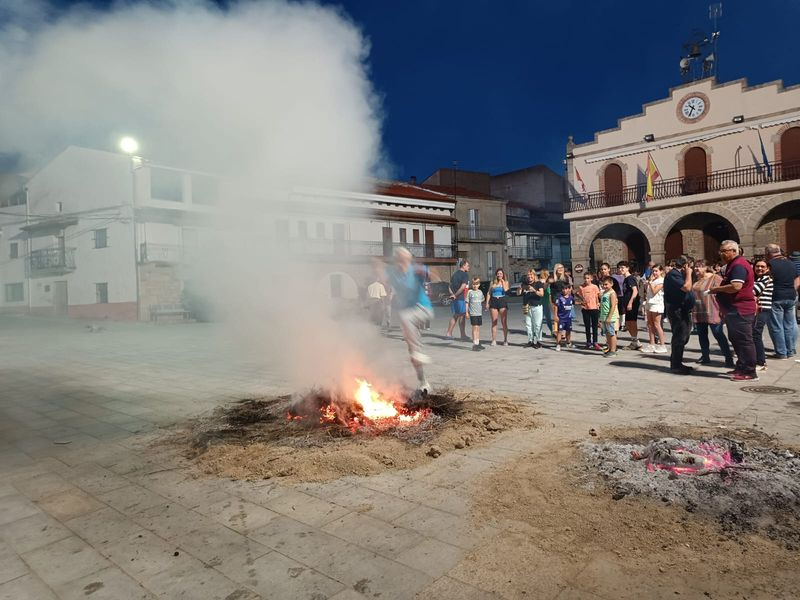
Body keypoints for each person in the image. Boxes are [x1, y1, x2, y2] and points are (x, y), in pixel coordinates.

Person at [385, 247, 434, 391]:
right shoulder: (392, 272)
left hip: (423, 309)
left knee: (404, 317)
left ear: (409, 260)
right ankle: (424, 383)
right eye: (398, 260)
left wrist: (427, 274)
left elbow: (433, 276)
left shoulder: (416, 270)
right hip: (408, 317)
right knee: (413, 354)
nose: (401, 263)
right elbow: (383, 275)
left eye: (404, 260)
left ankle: (417, 352)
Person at [709, 241, 758, 381]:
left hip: (741, 308)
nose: (721, 254)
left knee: (744, 340)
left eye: (724, 251)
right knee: (736, 339)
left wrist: (716, 289)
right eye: (721, 251)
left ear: (734, 251)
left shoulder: (738, 265)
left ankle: (749, 371)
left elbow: (736, 286)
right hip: (733, 308)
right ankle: (741, 366)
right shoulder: (733, 265)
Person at [691, 260, 734, 368]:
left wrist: (723, 308)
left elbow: (723, 293)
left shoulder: (715, 278)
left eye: (699, 266)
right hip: (699, 310)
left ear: (706, 267)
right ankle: (705, 356)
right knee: (702, 335)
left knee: (718, 334)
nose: (696, 269)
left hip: (714, 310)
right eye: (695, 267)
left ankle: (728, 358)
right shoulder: (697, 279)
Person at [764, 244, 799, 359]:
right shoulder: (791, 263)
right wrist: (792, 289)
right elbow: (797, 278)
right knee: (790, 324)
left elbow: (766, 280)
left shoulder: (770, 265)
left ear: (768, 254)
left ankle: (781, 352)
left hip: (776, 296)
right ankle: (790, 350)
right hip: (790, 296)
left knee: (777, 326)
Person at [663, 255, 695, 375]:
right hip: (678, 310)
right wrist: (689, 273)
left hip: (683, 310)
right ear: (686, 265)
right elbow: (686, 287)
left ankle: (678, 362)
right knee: (679, 337)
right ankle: (676, 364)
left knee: (684, 336)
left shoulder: (678, 274)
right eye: (690, 266)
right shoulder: (673, 275)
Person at [752, 259, 774, 371]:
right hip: (758, 309)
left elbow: (753, 291)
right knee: (754, 334)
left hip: (763, 309)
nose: (759, 268)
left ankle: (761, 362)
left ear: (768, 268)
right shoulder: (759, 279)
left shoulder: (766, 278)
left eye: (762, 267)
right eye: (757, 266)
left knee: (756, 334)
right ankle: (756, 359)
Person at [641, 265, 667, 353]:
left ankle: (662, 345)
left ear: (661, 271)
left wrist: (650, 282)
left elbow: (654, 291)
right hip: (649, 303)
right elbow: (648, 291)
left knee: (657, 324)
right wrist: (647, 284)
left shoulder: (661, 281)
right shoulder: (653, 280)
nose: (654, 273)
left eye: (656, 271)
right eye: (653, 271)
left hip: (657, 304)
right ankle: (652, 344)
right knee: (650, 324)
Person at [617, 261, 642, 349]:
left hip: (632, 304)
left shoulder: (630, 278)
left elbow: (635, 291)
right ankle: (635, 341)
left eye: (623, 267)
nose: (621, 269)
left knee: (631, 322)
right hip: (627, 303)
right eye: (619, 268)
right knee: (628, 323)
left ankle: (635, 341)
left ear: (627, 268)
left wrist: (630, 302)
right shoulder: (626, 279)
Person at [519, 269, 545, 348]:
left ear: (534, 276)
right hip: (527, 306)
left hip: (536, 306)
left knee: (537, 324)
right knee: (528, 325)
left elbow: (541, 294)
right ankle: (530, 340)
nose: (530, 276)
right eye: (528, 275)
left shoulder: (538, 283)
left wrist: (534, 290)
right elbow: (518, 293)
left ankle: (538, 341)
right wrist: (519, 288)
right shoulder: (524, 284)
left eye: (531, 275)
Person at [445, 259, 470, 340]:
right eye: (467, 265)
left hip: (455, 298)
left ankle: (449, 334)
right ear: (463, 266)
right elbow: (463, 287)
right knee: (461, 316)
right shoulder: (465, 275)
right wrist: (455, 295)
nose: (468, 267)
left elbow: (449, 286)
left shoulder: (454, 274)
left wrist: (452, 295)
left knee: (455, 316)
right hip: (460, 298)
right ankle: (461, 335)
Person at [485, 268, 510, 346]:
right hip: (494, 302)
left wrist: (502, 282)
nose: (499, 275)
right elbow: (489, 293)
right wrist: (487, 303)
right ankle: (493, 340)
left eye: (501, 274)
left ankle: (505, 340)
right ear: (496, 275)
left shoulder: (506, 282)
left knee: (504, 322)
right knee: (494, 322)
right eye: (498, 273)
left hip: (502, 301)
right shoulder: (492, 283)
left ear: (503, 275)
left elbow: (506, 290)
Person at [576, 272, 601, 349]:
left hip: (594, 308)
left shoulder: (595, 287)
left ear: (591, 279)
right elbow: (577, 294)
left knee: (595, 326)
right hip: (585, 309)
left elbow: (598, 296)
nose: (586, 280)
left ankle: (595, 342)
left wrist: (599, 303)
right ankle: (588, 342)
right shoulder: (581, 287)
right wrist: (581, 301)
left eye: (588, 278)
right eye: (585, 278)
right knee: (587, 326)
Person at [549, 263, 572, 337]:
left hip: (564, 298)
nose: (560, 269)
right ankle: (558, 332)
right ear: (555, 269)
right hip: (555, 298)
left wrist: (569, 295)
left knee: (564, 315)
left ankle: (563, 331)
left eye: (561, 267)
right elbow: (545, 285)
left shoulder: (565, 277)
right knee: (557, 315)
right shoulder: (552, 277)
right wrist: (548, 282)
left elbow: (569, 287)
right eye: (558, 268)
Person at [599, 277, 619, 357]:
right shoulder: (604, 293)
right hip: (604, 316)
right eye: (603, 284)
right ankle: (609, 348)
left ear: (611, 284)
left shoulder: (612, 293)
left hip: (609, 317)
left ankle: (613, 350)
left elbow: (613, 305)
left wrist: (609, 317)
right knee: (607, 333)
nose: (605, 286)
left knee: (611, 333)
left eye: (606, 284)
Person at [466, 277, 485, 351]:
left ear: (479, 284)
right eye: (473, 284)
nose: (475, 285)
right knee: (474, 328)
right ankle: (474, 344)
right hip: (473, 313)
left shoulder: (480, 292)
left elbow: (482, 300)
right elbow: (467, 302)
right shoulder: (470, 292)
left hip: (479, 313)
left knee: (478, 328)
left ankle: (478, 342)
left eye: (476, 284)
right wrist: (467, 312)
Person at [554, 284, 574, 351]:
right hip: (561, 318)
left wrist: (581, 303)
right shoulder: (559, 298)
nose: (564, 290)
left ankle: (568, 343)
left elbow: (573, 303)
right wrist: (555, 315)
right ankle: (558, 344)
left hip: (568, 318)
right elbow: (556, 306)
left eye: (566, 289)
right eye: (563, 289)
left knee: (568, 331)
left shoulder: (571, 297)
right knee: (559, 331)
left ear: (569, 289)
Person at [540, 269, 554, 336]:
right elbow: (544, 288)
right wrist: (548, 283)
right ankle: (551, 331)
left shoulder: (547, 281)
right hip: (543, 301)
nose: (549, 274)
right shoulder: (542, 281)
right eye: (547, 273)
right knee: (546, 317)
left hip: (546, 300)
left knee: (545, 317)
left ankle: (550, 331)